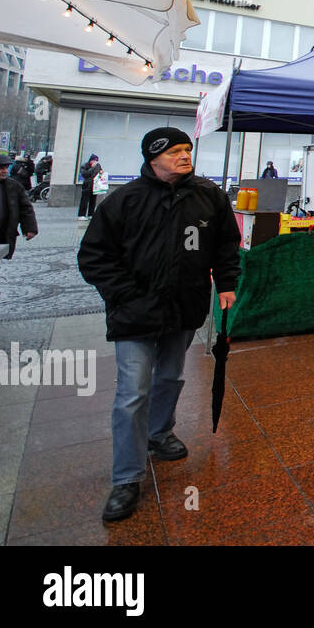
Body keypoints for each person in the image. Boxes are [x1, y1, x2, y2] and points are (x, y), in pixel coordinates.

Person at [78, 128, 241, 523]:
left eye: (187, 149)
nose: (185, 156)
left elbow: (225, 243)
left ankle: (159, 433)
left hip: (183, 309)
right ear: (153, 159)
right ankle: (127, 478)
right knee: (133, 392)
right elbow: (94, 257)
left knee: (170, 377)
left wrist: (226, 282)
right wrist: (126, 296)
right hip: (134, 315)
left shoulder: (209, 196)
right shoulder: (123, 201)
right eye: (174, 152)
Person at [0, 153, 37, 283]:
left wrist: (30, 228)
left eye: (6, 167)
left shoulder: (13, 186)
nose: (5, 171)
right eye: (0, 168)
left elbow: (26, 208)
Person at [78, 153, 102, 219]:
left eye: (96, 161)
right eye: (94, 160)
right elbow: (85, 174)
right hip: (87, 185)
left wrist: (101, 174)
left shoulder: (98, 165)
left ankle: (90, 214)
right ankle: (81, 215)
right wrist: (92, 168)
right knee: (84, 200)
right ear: (91, 160)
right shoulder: (85, 165)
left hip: (94, 185)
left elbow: (100, 172)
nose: (95, 162)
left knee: (93, 201)